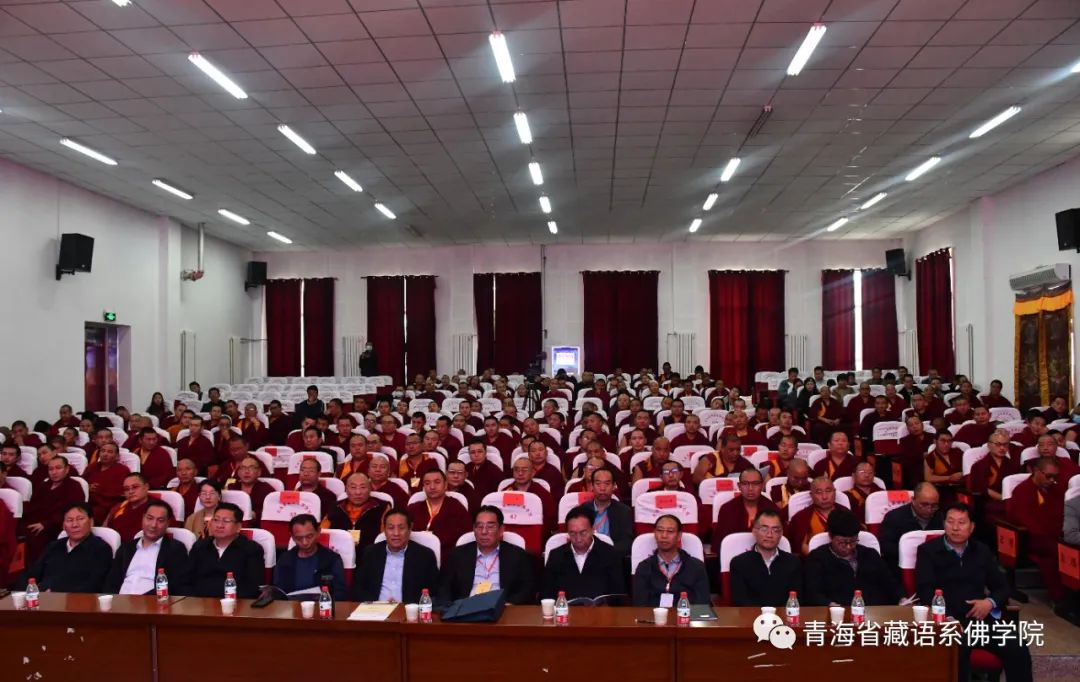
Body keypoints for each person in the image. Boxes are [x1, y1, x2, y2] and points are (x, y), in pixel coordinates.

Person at [915, 503, 1033, 682]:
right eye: (950, 522)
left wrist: (989, 603)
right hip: (947, 622)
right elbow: (925, 591)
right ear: (944, 524)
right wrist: (947, 619)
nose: (955, 528)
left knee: (1016, 643)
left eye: (961, 522)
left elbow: (1002, 587)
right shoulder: (928, 551)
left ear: (972, 527)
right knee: (958, 646)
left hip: (980, 622)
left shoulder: (981, 551)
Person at [439, 506, 536, 605]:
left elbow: (528, 588)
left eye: (490, 527)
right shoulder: (457, 555)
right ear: (474, 529)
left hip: (503, 608)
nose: (484, 532)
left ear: (501, 530)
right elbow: (444, 588)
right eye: (479, 526)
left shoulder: (517, 555)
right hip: (466, 608)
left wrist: (510, 604)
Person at [804, 509, 902, 606]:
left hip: (872, 611)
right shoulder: (817, 558)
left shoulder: (870, 554)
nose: (848, 547)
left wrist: (901, 598)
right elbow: (812, 593)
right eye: (842, 542)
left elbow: (890, 583)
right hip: (836, 611)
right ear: (830, 536)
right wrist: (829, 604)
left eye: (853, 541)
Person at [1006, 457, 1064, 600]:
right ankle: (1060, 597)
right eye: (1048, 476)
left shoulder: (1056, 490)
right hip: (1033, 538)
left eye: (1055, 477)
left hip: (1057, 535)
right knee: (1057, 552)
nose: (1052, 480)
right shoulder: (1022, 491)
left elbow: (1063, 514)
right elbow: (1025, 521)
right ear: (1037, 471)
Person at [23, 502, 112, 592]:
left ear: (91, 522)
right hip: (41, 596)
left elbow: (95, 585)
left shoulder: (101, 549)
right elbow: (32, 575)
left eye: (80, 519)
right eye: (69, 520)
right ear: (63, 526)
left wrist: (55, 593)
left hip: (76, 599)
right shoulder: (53, 546)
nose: (75, 525)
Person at [354, 508, 440, 602]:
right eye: (391, 528)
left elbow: (433, 592)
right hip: (375, 608)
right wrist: (376, 604)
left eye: (401, 528)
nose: (396, 533)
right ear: (384, 529)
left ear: (410, 529)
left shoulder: (425, 556)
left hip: (409, 609)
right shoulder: (370, 553)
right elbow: (359, 589)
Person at [541, 505, 625, 601]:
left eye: (583, 533)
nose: (578, 538)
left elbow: (618, 595)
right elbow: (547, 595)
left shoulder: (610, 554)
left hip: (601, 610)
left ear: (592, 530)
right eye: (572, 533)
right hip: (565, 609)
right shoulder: (556, 555)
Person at [107, 499, 191, 595]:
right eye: (149, 518)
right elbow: (111, 582)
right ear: (143, 518)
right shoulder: (126, 548)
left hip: (152, 601)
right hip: (119, 601)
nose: (153, 525)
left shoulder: (175, 549)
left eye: (160, 520)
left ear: (168, 523)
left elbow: (175, 586)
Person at [187, 502, 264, 599]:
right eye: (216, 520)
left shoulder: (251, 550)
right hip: (200, 603)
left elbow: (253, 587)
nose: (219, 525)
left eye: (226, 521)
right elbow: (186, 580)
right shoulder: (200, 546)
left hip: (236, 603)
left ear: (238, 527)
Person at [729, 509, 802, 607]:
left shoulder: (793, 563)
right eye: (764, 529)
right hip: (750, 615)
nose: (769, 535)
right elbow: (740, 602)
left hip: (783, 615)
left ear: (781, 533)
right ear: (754, 531)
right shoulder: (739, 563)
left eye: (775, 530)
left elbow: (796, 600)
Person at [632, 514, 710, 606]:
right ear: (655, 534)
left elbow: (702, 605)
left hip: (686, 614)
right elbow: (640, 606)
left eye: (670, 531)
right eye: (660, 530)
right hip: (654, 614)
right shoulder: (644, 567)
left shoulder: (696, 567)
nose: (664, 535)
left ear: (679, 536)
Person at [23, 455, 86, 563]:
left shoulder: (74, 486)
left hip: (56, 526)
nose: (54, 472)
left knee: (35, 540)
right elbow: (33, 506)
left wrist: (45, 524)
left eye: (58, 468)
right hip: (36, 522)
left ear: (67, 469)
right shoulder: (44, 485)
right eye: (51, 469)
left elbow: (73, 511)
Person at [273, 514, 347, 601]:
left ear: (318, 532)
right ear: (292, 537)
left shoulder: (331, 559)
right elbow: (278, 592)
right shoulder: (285, 560)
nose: (305, 542)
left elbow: (340, 594)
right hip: (291, 607)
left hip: (322, 606)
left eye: (309, 536)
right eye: (299, 538)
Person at [407, 469, 472, 567]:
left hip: (447, 560)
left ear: (445, 485)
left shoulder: (456, 507)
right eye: (427, 483)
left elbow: (466, 538)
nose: (432, 487)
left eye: (437, 482)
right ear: (423, 487)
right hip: (415, 559)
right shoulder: (413, 508)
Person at [879, 482, 943, 572]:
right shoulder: (894, 518)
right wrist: (910, 551)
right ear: (913, 500)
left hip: (934, 568)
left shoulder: (941, 518)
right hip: (900, 568)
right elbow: (885, 547)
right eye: (924, 504)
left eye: (934, 505)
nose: (929, 509)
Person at [712, 468, 778, 554]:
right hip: (734, 557)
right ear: (739, 486)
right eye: (745, 484)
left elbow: (779, 541)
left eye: (755, 483)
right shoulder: (727, 509)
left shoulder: (772, 509)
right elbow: (720, 544)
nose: (750, 488)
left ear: (762, 486)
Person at [323, 472, 390, 552]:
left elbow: (385, 538)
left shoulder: (382, 508)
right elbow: (323, 533)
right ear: (346, 490)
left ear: (370, 489)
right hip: (338, 554)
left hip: (370, 554)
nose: (358, 492)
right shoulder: (335, 507)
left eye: (363, 487)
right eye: (353, 487)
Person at [786, 476, 840, 556]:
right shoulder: (801, 518)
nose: (824, 497)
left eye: (828, 491)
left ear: (834, 492)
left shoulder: (846, 514)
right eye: (819, 492)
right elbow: (794, 550)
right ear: (811, 495)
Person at [588, 467, 633, 557]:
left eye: (607, 484)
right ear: (592, 486)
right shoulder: (581, 510)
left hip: (613, 557)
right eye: (598, 483)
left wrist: (606, 552)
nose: (602, 488)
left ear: (614, 486)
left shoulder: (624, 511)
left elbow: (627, 543)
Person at [507, 456, 557, 535]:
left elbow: (551, 520)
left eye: (524, 470)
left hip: (536, 534)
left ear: (533, 473)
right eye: (516, 470)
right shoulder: (506, 492)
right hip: (510, 534)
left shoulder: (542, 493)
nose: (520, 473)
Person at [83, 442, 130, 524]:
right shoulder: (92, 467)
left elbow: (123, 492)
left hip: (108, 505)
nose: (105, 454)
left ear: (117, 456)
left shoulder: (123, 470)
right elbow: (81, 483)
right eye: (103, 451)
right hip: (88, 502)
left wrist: (101, 490)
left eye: (110, 452)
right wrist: (87, 488)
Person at [104, 473, 152, 542]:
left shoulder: (157, 508)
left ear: (146, 487)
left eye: (135, 487)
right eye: (126, 489)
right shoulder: (119, 507)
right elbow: (105, 530)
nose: (130, 491)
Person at [225, 456, 276, 521]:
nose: (247, 471)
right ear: (238, 472)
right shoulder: (232, 488)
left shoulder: (267, 489)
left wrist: (254, 514)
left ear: (259, 472)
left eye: (251, 468)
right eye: (243, 468)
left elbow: (273, 510)